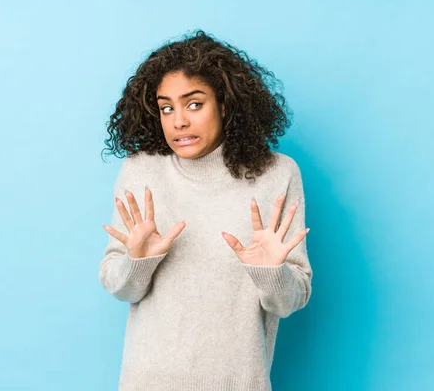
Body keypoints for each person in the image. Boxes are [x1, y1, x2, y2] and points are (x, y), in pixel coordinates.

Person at [99, 29, 312, 391]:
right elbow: (121, 288)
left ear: (225, 104)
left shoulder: (277, 174)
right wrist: (137, 262)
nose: (178, 120)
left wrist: (271, 271)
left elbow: (288, 302)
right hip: (147, 380)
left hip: (237, 382)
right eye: (167, 107)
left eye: (194, 104)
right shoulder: (141, 171)